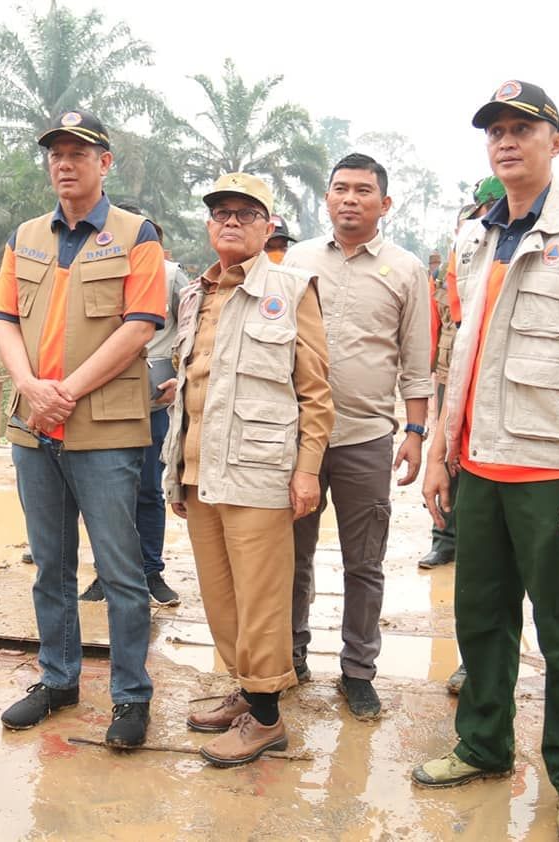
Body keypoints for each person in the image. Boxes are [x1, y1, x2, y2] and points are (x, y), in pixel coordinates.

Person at [413, 81, 559, 842]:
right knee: (482, 621)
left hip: (550, 473)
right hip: (479, 466)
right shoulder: (476, 234)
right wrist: (442, 454)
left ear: (555, 143)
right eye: (496, 132)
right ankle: (482, 744)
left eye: (522, 130)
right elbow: (456, 357)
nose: (506, 142)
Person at [0, 110, 166, 747]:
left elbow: (140, 325)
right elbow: (6, 319)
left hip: (105, 430)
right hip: (35, 428)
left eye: (79, 153)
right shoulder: (26, 235)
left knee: (121, 572)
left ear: (104, 163)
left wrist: (66, 391)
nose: (65, 163)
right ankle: (59, 679)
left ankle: (130, 697)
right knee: (51, 567)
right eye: (56, 154)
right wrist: (33, 388)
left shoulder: (136, 234)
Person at [162, 172, 334, 766]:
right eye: (220, 213)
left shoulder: (291, 287)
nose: (230, 221)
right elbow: (193, 382)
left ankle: (266, 720)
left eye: (244, 213)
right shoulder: (194, 293)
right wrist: (174, 472)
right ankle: (245, 691)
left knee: (261, 597)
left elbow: (315, 391)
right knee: (220, 596)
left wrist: (307, 469)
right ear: (210, 225)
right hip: (199, 471)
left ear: (267, 226)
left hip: (260, 471)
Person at [284, 153, 432, 719]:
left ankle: (357, 671)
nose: (350, 199)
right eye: (340, 189)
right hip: (298, 438)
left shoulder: (405, 270)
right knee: (291, 556)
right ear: (327, 198)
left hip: (367, 437)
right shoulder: (297, 261)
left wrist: (415, 431)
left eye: (363, 191)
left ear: (384, 203)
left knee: (364, 562)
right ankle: (292, 654)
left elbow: (416, 362)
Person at [80, 206, 187, 606]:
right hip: (100, 399)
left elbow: (190, 327)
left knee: (146, 491)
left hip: (151, 401)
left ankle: (150, 571)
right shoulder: (91, 270)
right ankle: (106, 573)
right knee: (100, 493)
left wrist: (183, 376)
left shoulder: (171, 275)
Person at [419, 177, 505, 576]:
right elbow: (440, 320)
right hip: (451, 372)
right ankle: (444, 539)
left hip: (500, 375)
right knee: (448, 460)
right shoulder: (464, 251)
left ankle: (485, 544)